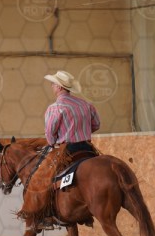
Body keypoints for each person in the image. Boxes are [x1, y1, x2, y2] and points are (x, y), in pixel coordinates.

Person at [17, 70, 101, 228]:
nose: (52, 86)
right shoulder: (86, 105)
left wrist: (53, 142)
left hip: (67, 150)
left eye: (53, 84)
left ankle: (44, 215)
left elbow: (50, 133)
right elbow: (96, 124)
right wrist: (82, 131)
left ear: (60, 87)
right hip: (88, 149)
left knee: (42, 178)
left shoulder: (55, 108)